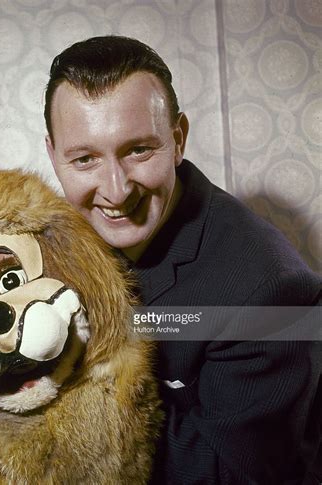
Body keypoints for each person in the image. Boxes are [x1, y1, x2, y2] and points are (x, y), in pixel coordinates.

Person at [44, 36, 321, 484]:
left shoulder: (270, 288)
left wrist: (51, 406)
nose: (116, 190)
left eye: (138, 150)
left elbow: (237, 476)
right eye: (85, 159)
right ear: (54, 156)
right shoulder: (52, 240)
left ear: (178, 140)